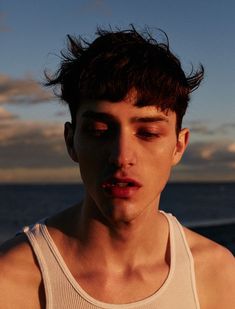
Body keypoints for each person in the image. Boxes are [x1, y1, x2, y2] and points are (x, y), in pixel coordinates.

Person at [0, 26, 234, 309]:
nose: (121, 156)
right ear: (71, 141)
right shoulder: (12, 279)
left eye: (148, 133)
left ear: (179, 146)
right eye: (99, 130)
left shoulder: (217, 273)